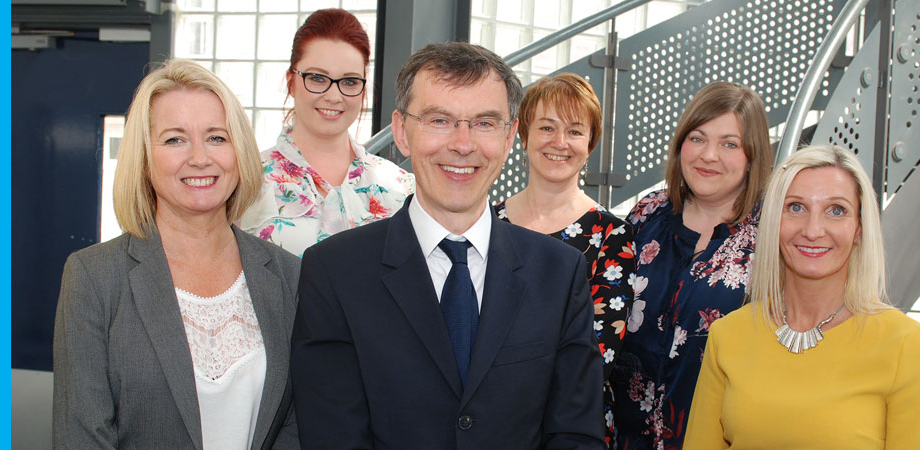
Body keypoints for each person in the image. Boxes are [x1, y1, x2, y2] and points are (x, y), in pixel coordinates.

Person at [290, 42, 604, 449]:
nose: (462, 144)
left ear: (510, 138)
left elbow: (575, 434)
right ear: (402, 131)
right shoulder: (335, 272)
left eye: (485, 123)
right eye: (440, 120)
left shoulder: (560, 274)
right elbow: (332, 436)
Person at [52, 59, 301, 450]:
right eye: (174, 139)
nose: (200, 158)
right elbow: (82, 436)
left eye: (217, 138)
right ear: (145, 157)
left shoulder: (289, 275)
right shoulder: (93, 277)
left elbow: (296, 427)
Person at [682, 145, 920, 449]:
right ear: (773, 222)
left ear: (859, 228)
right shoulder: (727, 335)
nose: (813, 230)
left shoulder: (906, 344)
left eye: (836, 210)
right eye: (796, 207)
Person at [613, 81, 774, 450]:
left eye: (730, 144)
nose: (709, 155)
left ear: (753, 156)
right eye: (698, 138)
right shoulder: (646, 214)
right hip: (622, 438)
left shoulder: (772, 238)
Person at [491, 72, 635, 446]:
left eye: (574, 131)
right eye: (547, 128)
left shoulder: (612, 236)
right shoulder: (485, 224)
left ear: (590, 143)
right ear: (523, 134)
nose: (560, 142)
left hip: (570, 427)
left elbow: (596, 355)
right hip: (484, 422)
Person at [239, 8, 413, 256]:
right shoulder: (247, 182)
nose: (333, 96)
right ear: (291, 81)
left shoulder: (400, 186)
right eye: (318, 78)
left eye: (349, 82)